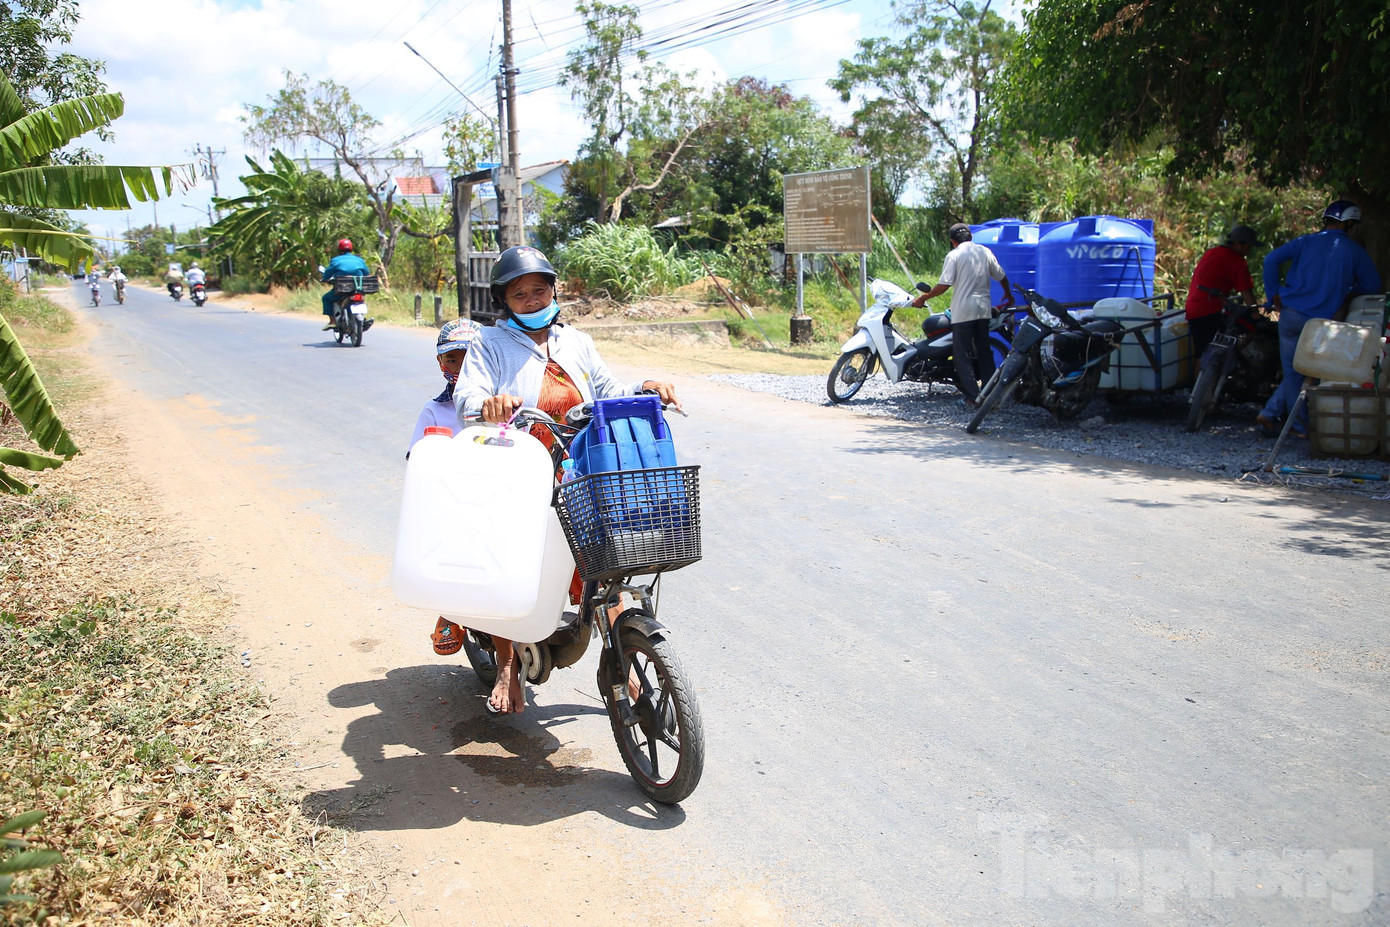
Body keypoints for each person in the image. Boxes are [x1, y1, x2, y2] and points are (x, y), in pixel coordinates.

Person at [455, 245, 681, 715]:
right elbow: (467, 398)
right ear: (505, 300)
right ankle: (506, 665)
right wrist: (490, 404)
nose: (534, 300)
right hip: (520, 468)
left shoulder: (576, 341)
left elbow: (608, 391)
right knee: (513, 567)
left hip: (579, 466)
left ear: (555, 291)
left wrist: (645, 388)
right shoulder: (489, 344)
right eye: (521, 294)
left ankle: (624, 660)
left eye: (541, 290)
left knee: (607, 562)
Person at [1256, 200, 1383, 438]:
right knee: (1315, 372)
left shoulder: (1305, 241)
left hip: (1290, 315)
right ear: (1350, 225)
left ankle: (1275, 414)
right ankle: (1300, 426)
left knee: (1293, 373)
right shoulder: (1354, 250)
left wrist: (1273, 293)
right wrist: (1348, 288)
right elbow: (1373, 285)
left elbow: (1270, 260)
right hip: (1320, 325)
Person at [406, 317, 485, 657]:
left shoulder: (503, 400)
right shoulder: (436, 410)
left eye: (470, 356)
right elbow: (418, 458)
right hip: (459, 499)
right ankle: (451, 611)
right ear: (441, 364)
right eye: (453, 358)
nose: (461, 365)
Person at [911, 223, 1013, 408]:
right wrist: (1009, 294)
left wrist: (923, 297)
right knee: (984, 352)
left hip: (963, 312)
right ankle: (990, 394)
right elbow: (1002, 275)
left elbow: (944, 285)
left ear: (952, 241)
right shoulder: (984, 251)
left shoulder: (954, 255)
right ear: (971, 237)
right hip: (982, 311)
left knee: (961, 356)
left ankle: (973, 397)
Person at [1185, 225, 1259, 359]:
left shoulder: (1212, 252)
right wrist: (1255, 312)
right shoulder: (1237, 262)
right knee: (1256, 327)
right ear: (1237, 245)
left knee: (1201, 355)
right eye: (1248, 247)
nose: (1248, 251)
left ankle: (1199, 379)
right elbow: (1246, 293)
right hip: (1212, 309)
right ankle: (1234, 356)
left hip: (1193, 310)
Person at [320, 238, 371, 331]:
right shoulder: (359, 260)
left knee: (326, 298)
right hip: (358, 289)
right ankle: (362, 320)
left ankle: (332, 322)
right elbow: (367, 273)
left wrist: (324, 279)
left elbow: (327, 273)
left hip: (342, 290)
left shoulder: (336, 260)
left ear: (340, 249)